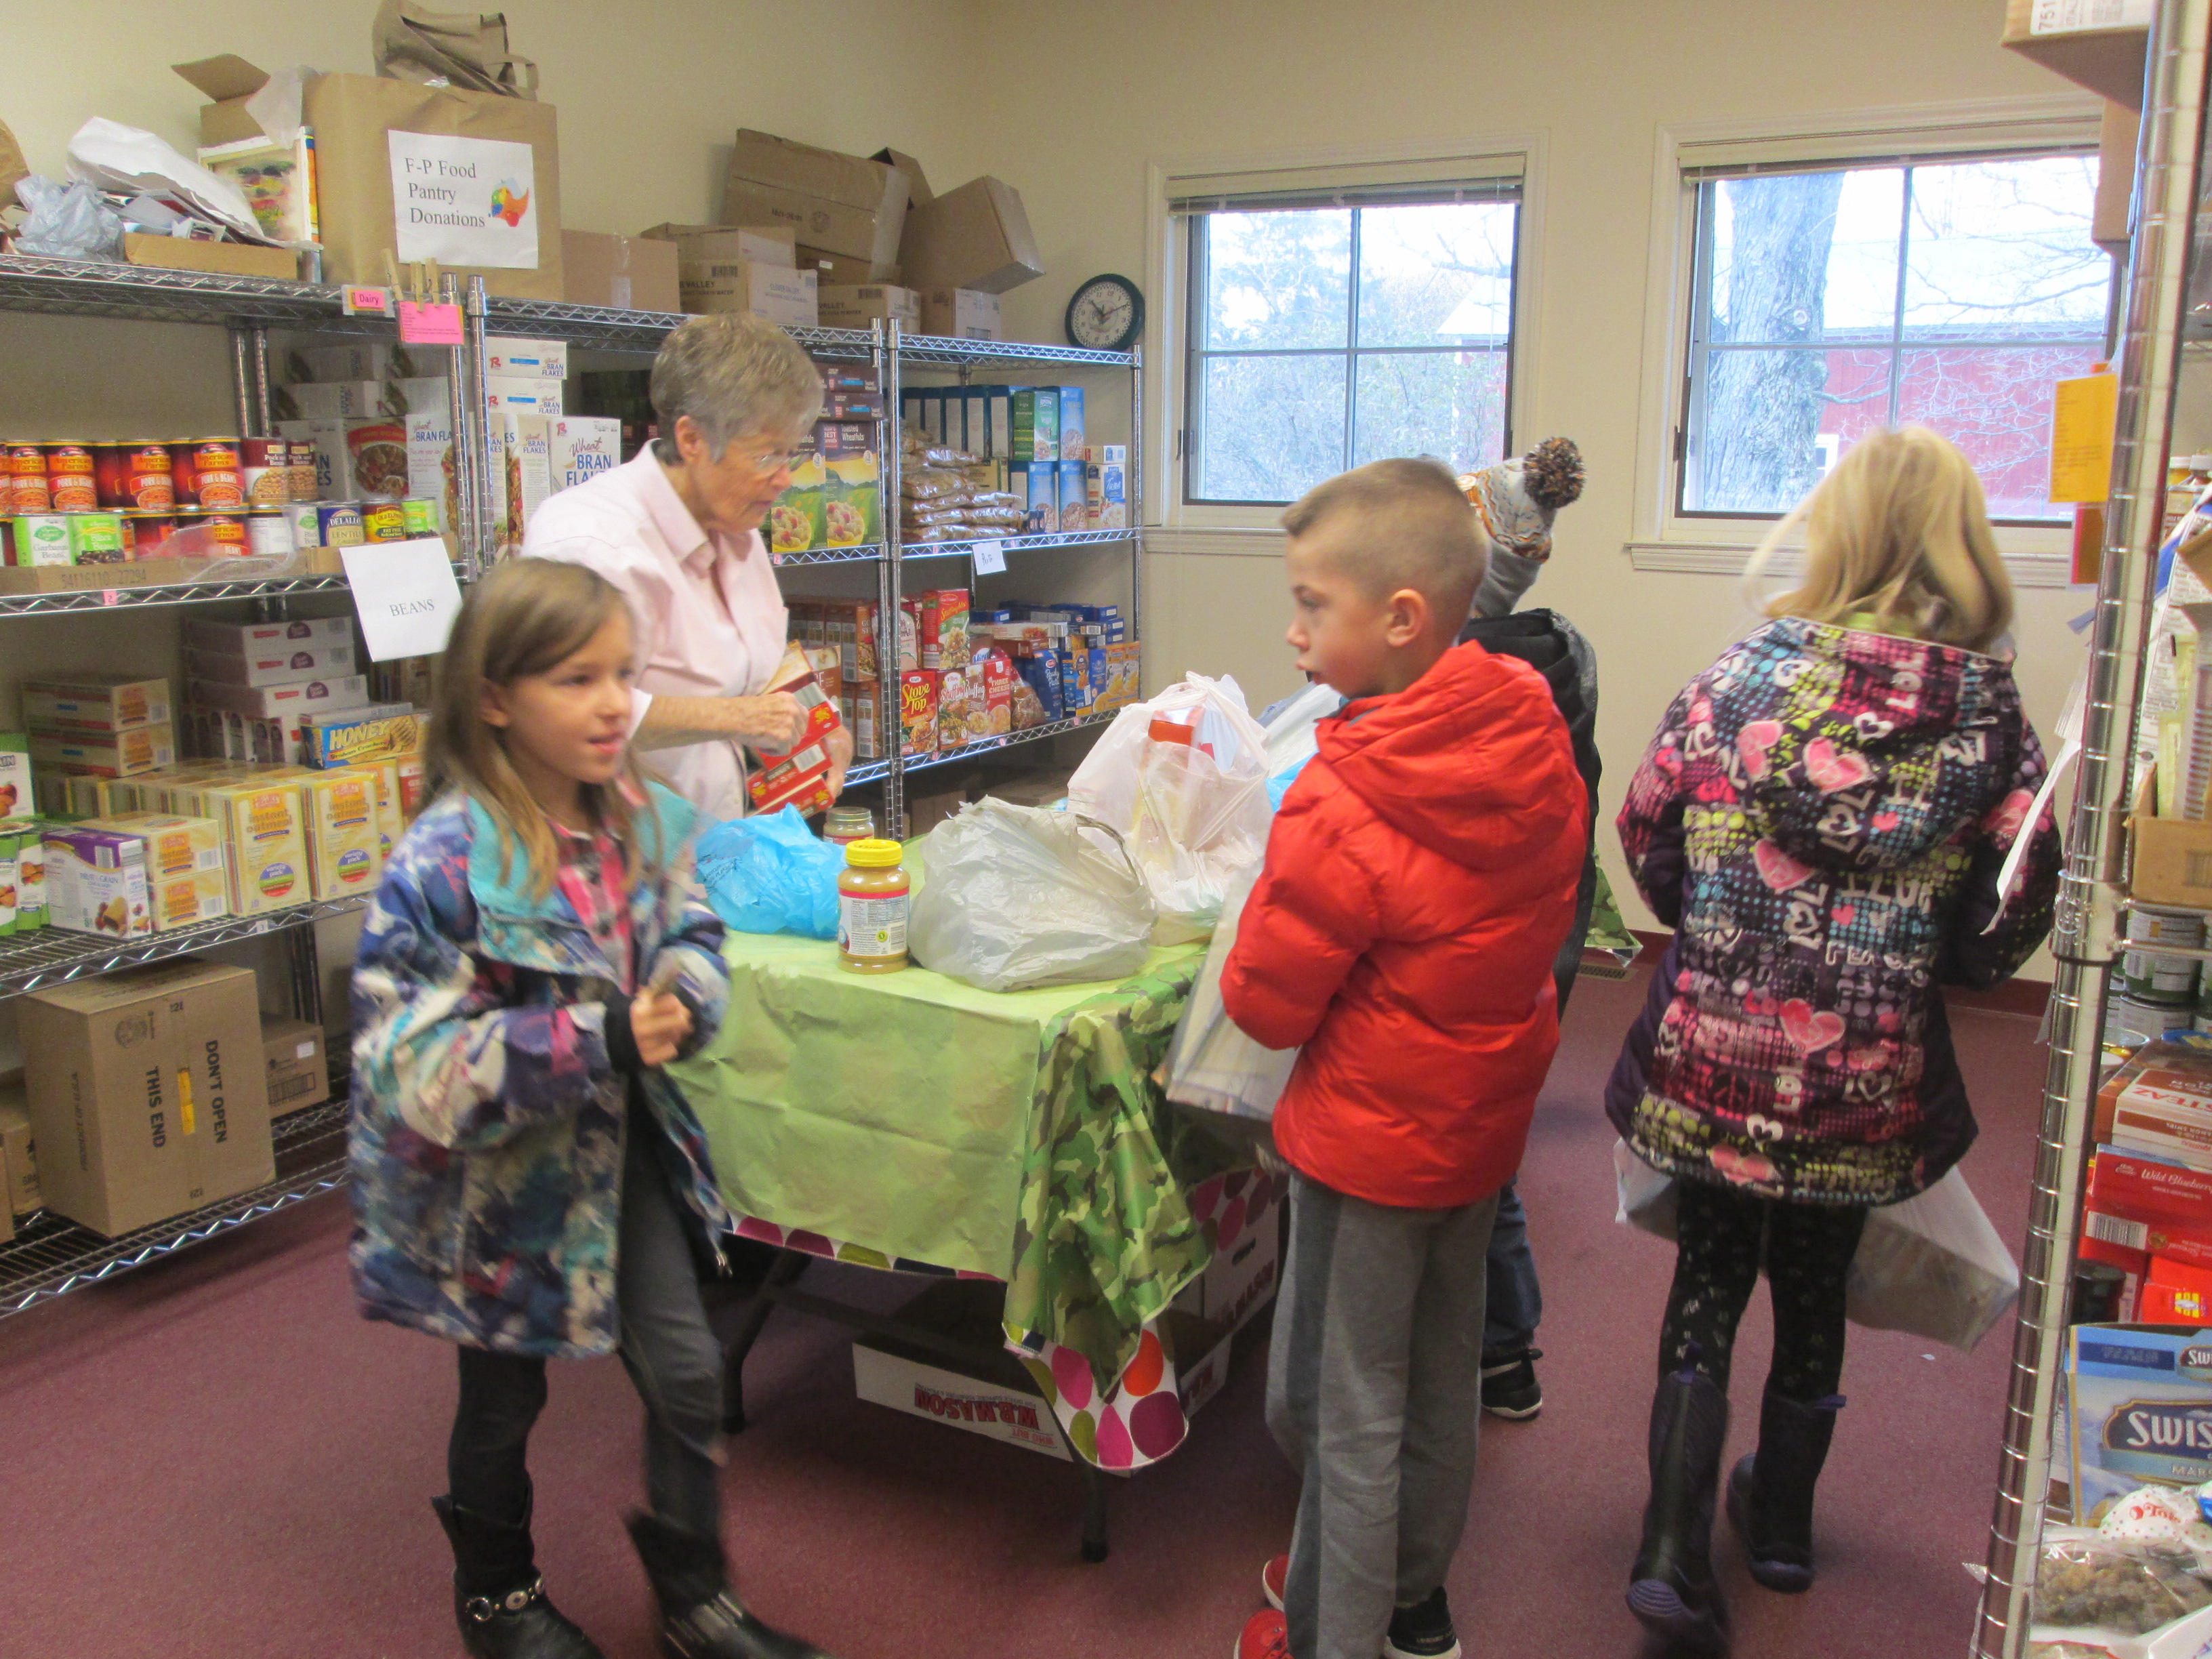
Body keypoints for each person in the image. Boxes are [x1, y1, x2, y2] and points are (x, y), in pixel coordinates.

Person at [1606, 427, 2062, 1652]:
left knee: (1707, 1277)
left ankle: (1665, 1544)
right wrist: (1919, 964)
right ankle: (1782, 1529)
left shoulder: (1732, 680)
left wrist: (1712, 931)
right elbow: (2001, 924)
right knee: (1813, 1287)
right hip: (1861, 1075)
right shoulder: (1990, 718)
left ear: (1835, 530)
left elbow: (1644, 826)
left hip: (1713, 1048)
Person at [348, 559, 838, 1659]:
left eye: (623, 673)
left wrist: (685, 993)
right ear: (493, 697)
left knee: (685, 1365)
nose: (615, 702)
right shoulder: (444, 861)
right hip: (495, 1189)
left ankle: (696, 1596)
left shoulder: (645, 818)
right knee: (502, 1396)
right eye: (577, 678)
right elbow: (409, 1061)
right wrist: (596, 1034)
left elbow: (694, 929)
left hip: (625, 1148)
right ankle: (498, 1597)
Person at [1221, 458, 1587, 1659]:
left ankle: (1335, 1629)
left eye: (1309, 605)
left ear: (1399, 619)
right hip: (1479, 1120)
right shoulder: (1530, 722)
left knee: (1340, 1401)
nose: (1291, 631)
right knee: (1438, 1371)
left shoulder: (1342, 791)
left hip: (1368, 1143)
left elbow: (1267, 1007)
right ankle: (1413, 1600)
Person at [525, 310, 850, 823]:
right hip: (616, 858)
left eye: (794, 453)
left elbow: (755, 668)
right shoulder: (593, 544)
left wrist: (819, 721)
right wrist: (735, 718)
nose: (786, 478)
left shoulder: (735, 527)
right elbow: (560, 706)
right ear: (693, 439)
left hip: (716, 848)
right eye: (768, 456)